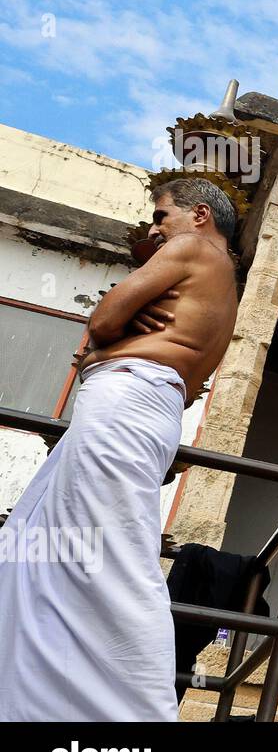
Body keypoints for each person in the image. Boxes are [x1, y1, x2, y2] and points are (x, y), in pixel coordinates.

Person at [0, 178, 239, 721]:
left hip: (127, 402)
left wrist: (113, 332)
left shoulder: (192, 247)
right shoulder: (225, 281)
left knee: (113, 559)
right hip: (140, 407)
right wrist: (112, 340)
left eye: (162, 216)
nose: (155, 229)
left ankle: (140, 717)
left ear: (200, 215)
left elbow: (103, 319)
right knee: (33, 546)